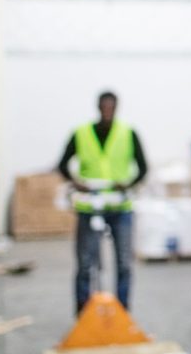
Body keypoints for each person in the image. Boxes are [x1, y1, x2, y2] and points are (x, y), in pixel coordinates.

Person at [58, 91, 148, 313]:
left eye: (111, 107)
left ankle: (122, 313)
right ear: (98, 107)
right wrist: (76, 182)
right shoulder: (81, 133)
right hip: (90, 207)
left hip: (120, 207)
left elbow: (143, 168)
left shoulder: (128, 133)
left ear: (117, 108)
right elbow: (62, 164)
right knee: (86, 264)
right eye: (104, 107)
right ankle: (84, 313)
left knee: (124, 264)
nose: (107, 111)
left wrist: (127, 184)